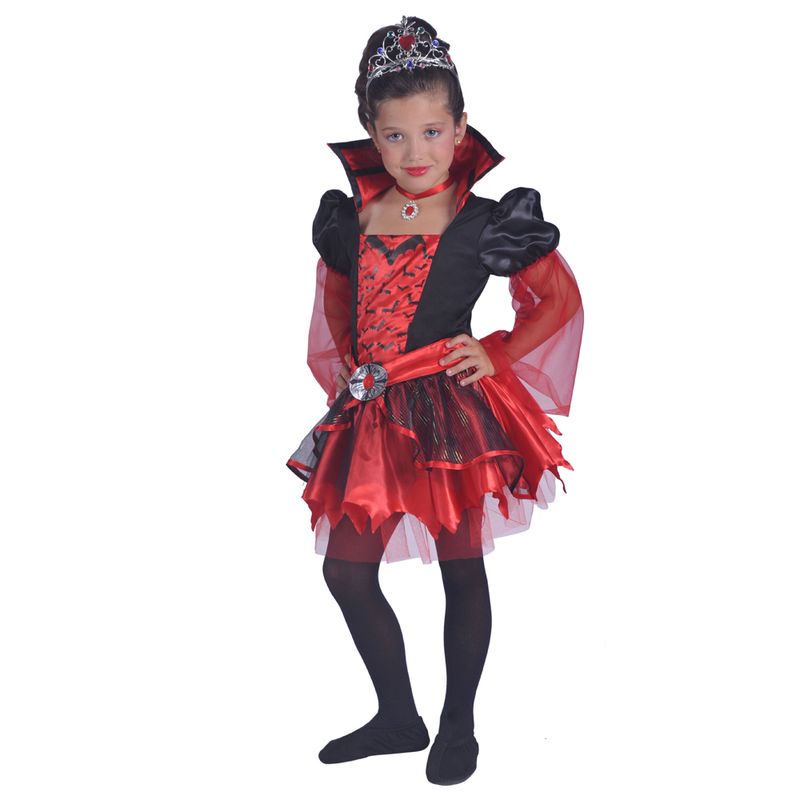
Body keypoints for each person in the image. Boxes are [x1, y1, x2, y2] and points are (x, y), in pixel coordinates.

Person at [286, 15, 584, 785]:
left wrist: (498, 352)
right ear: (371, 134)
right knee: (347, 572)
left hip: (450, 415)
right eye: (395, 136)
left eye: (430, 132)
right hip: (376, 416)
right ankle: (398, 715)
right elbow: (340, 298)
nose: (414, 152)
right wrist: (350, 367)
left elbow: (554, 299)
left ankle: (458, 725)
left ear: (459, 128)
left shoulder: (486, 221)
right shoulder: (354, 216)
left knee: (461, 567)